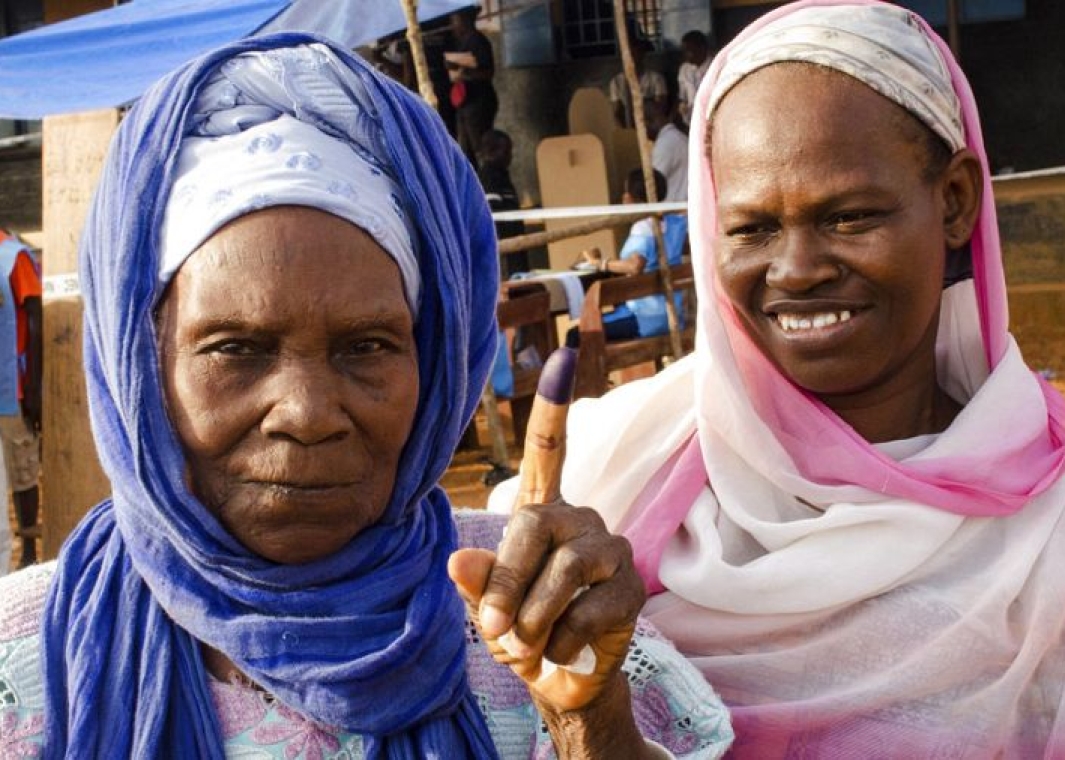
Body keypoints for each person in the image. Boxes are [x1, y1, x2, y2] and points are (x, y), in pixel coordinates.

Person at [0, 34, 734, 758]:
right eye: (235, 350)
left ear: (434, 366)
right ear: (141, 369)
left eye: (367, 347)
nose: (308, 414)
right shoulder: (24, 658)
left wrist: (590, 727)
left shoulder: (531, 616)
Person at [492, 1, 1065, 756]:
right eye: (751, 228)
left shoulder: (1058, 548)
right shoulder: (609, 481)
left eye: (850, 217)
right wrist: (589, 720)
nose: (796, 270)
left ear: (956, 200)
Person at [566, 168, 686, 348]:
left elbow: (635, 266)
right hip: (672, 315)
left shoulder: (643, 227)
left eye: (625, 192)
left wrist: (599, 264)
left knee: (577, 334)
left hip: (644, 319)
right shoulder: (675, 223)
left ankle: (576, 376)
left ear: (631, 198)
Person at [0, 228, 41, 572]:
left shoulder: (14, 256)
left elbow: (37, 319)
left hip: (13, 391)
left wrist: (35, 389)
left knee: (22, 471)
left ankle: (28, 548)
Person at [447, 6, 499, 163]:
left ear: (464, 20)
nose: (453, 24)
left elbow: (488, 73)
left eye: (455, 20)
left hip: (478, 103)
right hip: (466, 103)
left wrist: (463, 74)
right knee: (467, 151)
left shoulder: (478, 40)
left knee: (480, 149)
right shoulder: (462, 41)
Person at [477, 128, 528, 277]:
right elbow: (495, 219)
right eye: (506, 151)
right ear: (492, 152)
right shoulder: (488, 179)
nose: (510, 156)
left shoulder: (503, 177)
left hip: (517, 246)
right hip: (505, 253)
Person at [609, 38, 668, 129]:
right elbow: (617, 111)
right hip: (628, 123)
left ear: (642, 55)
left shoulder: (656, 78)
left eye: (635, 54)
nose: (632, 58)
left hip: (650, 122)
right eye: (628, 55)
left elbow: (660, 106)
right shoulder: (616, 82)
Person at [646, 99, 688, 202]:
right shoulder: (679, 137)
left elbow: (654, 185)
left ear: (649, 122)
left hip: (673, 208)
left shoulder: (664, 144)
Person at [676, 30, 711, 128]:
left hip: (709, 118)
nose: (685, 55)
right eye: (684, 51)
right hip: (689, 121)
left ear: (702, 48)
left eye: (689, 50)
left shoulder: (714, 66)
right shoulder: (684, 69)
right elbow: (682, 96)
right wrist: (682, 105)